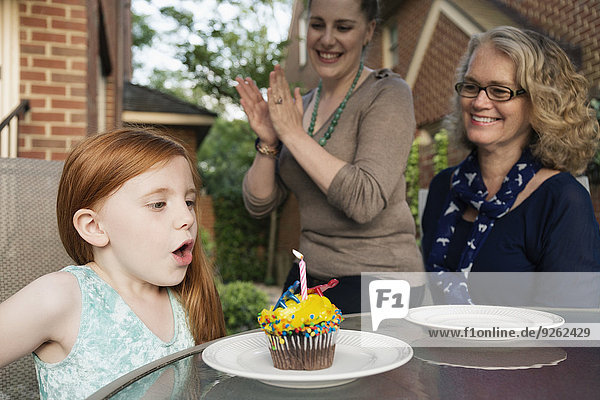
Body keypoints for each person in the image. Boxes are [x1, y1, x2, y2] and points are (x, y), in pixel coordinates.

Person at [0, 128, 226, 399]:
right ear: (94, 226)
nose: (187, 217)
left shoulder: (187, 298)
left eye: (189, 201)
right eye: (158, 204)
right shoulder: (62, 297)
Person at [235, 0, 424, 313]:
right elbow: (260, 204)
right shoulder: (301, 106)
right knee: (283, 356)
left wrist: (294, 135)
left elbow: (365, 200)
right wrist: (269, 142)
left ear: (369, 31)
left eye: (343, 27)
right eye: (317, 24)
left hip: (380, 280)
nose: (326, 39)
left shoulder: (388, 93)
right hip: (312, 274)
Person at [421, 26, 600, 306]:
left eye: (499, 91)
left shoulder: (562, 200)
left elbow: (573, 331)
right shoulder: (444, 187)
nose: (479, 102)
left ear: (539, 102)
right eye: (471, 86)